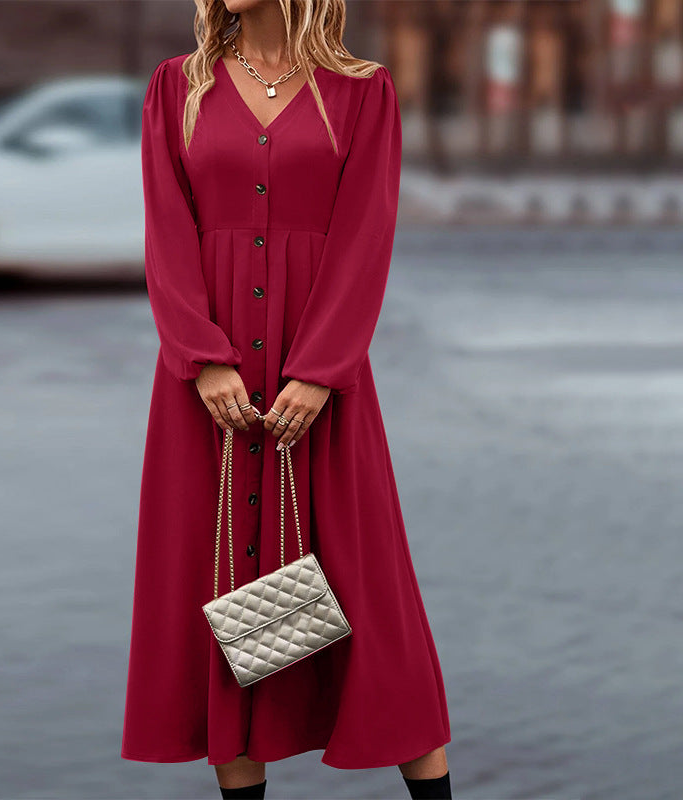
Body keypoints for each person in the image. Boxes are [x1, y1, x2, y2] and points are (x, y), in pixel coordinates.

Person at [121, 2, 452, 798]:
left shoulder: (363, 93)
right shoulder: (178, 88)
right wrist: (201, 358)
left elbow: (366, 233)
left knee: (370, 594)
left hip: (323, 387)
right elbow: (166, 230)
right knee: (220, 588)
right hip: (209, 390)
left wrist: (320, 368)